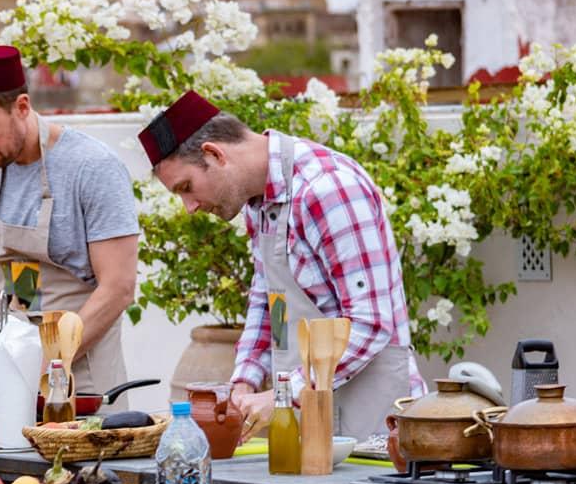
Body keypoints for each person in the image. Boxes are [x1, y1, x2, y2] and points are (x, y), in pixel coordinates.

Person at [139, 91, 424, 442]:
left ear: (215, 154)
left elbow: (372, 322)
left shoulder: (328, 189)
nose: (190, 207)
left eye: (187, 187)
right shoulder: (259, 203)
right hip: (313, 417)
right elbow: (272, 302)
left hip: (374, 420)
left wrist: (285, 396)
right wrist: (244, 382)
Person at [0, 44, 139, 399]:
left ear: (22, 106)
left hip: (82, 379)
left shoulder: (92, 167)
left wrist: (47, 366)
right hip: (4, 368)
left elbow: (118, 287)